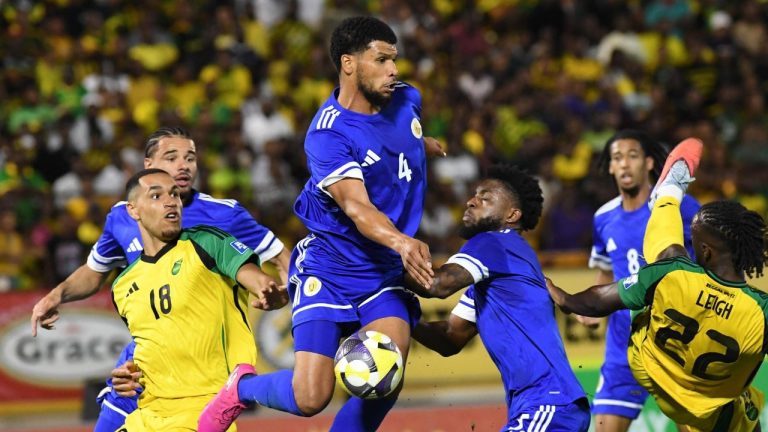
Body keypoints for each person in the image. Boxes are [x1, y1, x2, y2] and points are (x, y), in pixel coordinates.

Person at [198, 16, 435, 432]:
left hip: (382, 273)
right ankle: (241, 388)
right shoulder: (327, 134)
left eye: (394, 60)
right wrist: (402, 242)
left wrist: (421, 144)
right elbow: (356, 207)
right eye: (382, 60)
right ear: (349, 63)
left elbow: (395, 140)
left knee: (386, 374)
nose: (394, 70)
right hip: (329, 269)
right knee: (311, 398)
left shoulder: (406, 99)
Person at [30, 126, 291, 432]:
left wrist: (287, 300)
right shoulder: (122, 216)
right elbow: (94, 271)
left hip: (199, 368)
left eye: (190, 158)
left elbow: (281, 259)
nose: (184, 165)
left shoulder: (223, 216)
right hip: (145, 364)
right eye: (171, 157)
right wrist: (56, 295)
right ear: (148, 164)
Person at [547, 138, 768, 431]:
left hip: (653, 364)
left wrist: (564, 298)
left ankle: (666, 195)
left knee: (666, 255)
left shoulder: (672, 273)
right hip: (711, 409)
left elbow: (598, 300)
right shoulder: (761, 311)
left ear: (704, 251)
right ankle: (667, 195)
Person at [409, 164, 591, 432]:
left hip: (546, 402)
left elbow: (437, 285)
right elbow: (451, 337)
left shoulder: (494, 242)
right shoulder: (498, 272)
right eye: (474, 195)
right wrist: (405, 318)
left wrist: (376, 269)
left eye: (485, 198)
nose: (471, 201)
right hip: (548, 405)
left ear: (512, 215)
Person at [112, 168, 286, 431]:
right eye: (157, 196)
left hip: (205, 412)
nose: (171, 202)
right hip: (146, 415)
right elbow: (157, 342)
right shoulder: (122, 285)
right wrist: (132, 371)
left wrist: (269, 292)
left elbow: (257, 280)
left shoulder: (207, 243)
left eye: (174, 194)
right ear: (133, 210)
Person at [582, 130, 699, 431]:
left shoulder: (680, 206)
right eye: (617, 158)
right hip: (624, 345)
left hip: (677, 343)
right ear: (610, 167)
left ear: (648, 163)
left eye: (632, 156)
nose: (624, 164)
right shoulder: (603, 218)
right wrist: (593, 309)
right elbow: (606, 270)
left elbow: (710, 256)